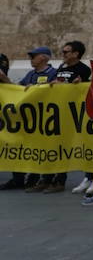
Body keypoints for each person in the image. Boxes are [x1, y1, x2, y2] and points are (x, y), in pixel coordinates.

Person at [3, 47, 57, 190]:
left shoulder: (53, 73)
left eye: (34, 56)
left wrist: (37, 88)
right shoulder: (30, 74)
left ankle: (37, 178)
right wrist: (4, 79)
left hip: (44, 119)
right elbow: (16, 90)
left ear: (44, 58)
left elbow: (57, 91)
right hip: (27, 120)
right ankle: (18, 179)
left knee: (39, 149)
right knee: (20, 147)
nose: (31, 59)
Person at [46, 41, 91, 191]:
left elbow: (80, 88)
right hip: (58, 111)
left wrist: (69, 85)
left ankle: (60, 180)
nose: (63, 54)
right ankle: (48, 178)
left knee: (67, 146)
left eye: (66, 52)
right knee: (55, 145)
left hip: (73, 114)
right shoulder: (61, 67)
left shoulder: (83, 69)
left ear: (76, 54)